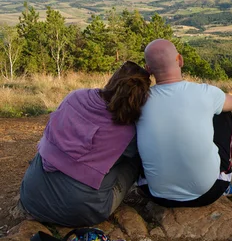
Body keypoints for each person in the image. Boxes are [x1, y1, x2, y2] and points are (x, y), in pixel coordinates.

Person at [18, 61, 151, 227]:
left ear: (112, 79)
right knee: (134, 158)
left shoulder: (74, 97)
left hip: (32, 197)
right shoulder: (129, 128)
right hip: (81, 212)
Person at [136, 39, 232, 207]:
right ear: (180, 60)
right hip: (209, 193)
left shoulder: (138, 100)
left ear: (148, 69)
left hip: (155, 194)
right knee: (224, 115)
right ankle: (224, 177)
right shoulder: (204, 92)